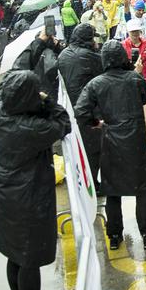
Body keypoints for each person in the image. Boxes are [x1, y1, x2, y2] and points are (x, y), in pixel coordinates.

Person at [0, 69, 71, 290]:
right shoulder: (30, 129)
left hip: (4, 193)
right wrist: (46, 101)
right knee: (29, 257)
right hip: (27, 196)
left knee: (15, 253)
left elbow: (3, 89)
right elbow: (63, 122)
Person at [75, 41, 146, 250]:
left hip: (111, 140)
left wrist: (96, 123)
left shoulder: (96, 84)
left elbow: (80, 111)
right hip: (136, 142)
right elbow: (143, 98)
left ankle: (114, 235)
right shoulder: (134, 79)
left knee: (113, 191)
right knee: (142, 190)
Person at [56, 23, 104, 186]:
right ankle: (92, 185)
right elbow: (105, 71)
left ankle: (83, 180)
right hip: (88, 110)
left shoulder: (63, 54)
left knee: (78, 149)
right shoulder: (89, 56)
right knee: (93, 150)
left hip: (69, 108)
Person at [122, 19, 146, 161]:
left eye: (137, 31)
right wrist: (134, 71)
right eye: (132, 32)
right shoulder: (123, 46)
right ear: (128, 32)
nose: (135, 34)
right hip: (130, 85)